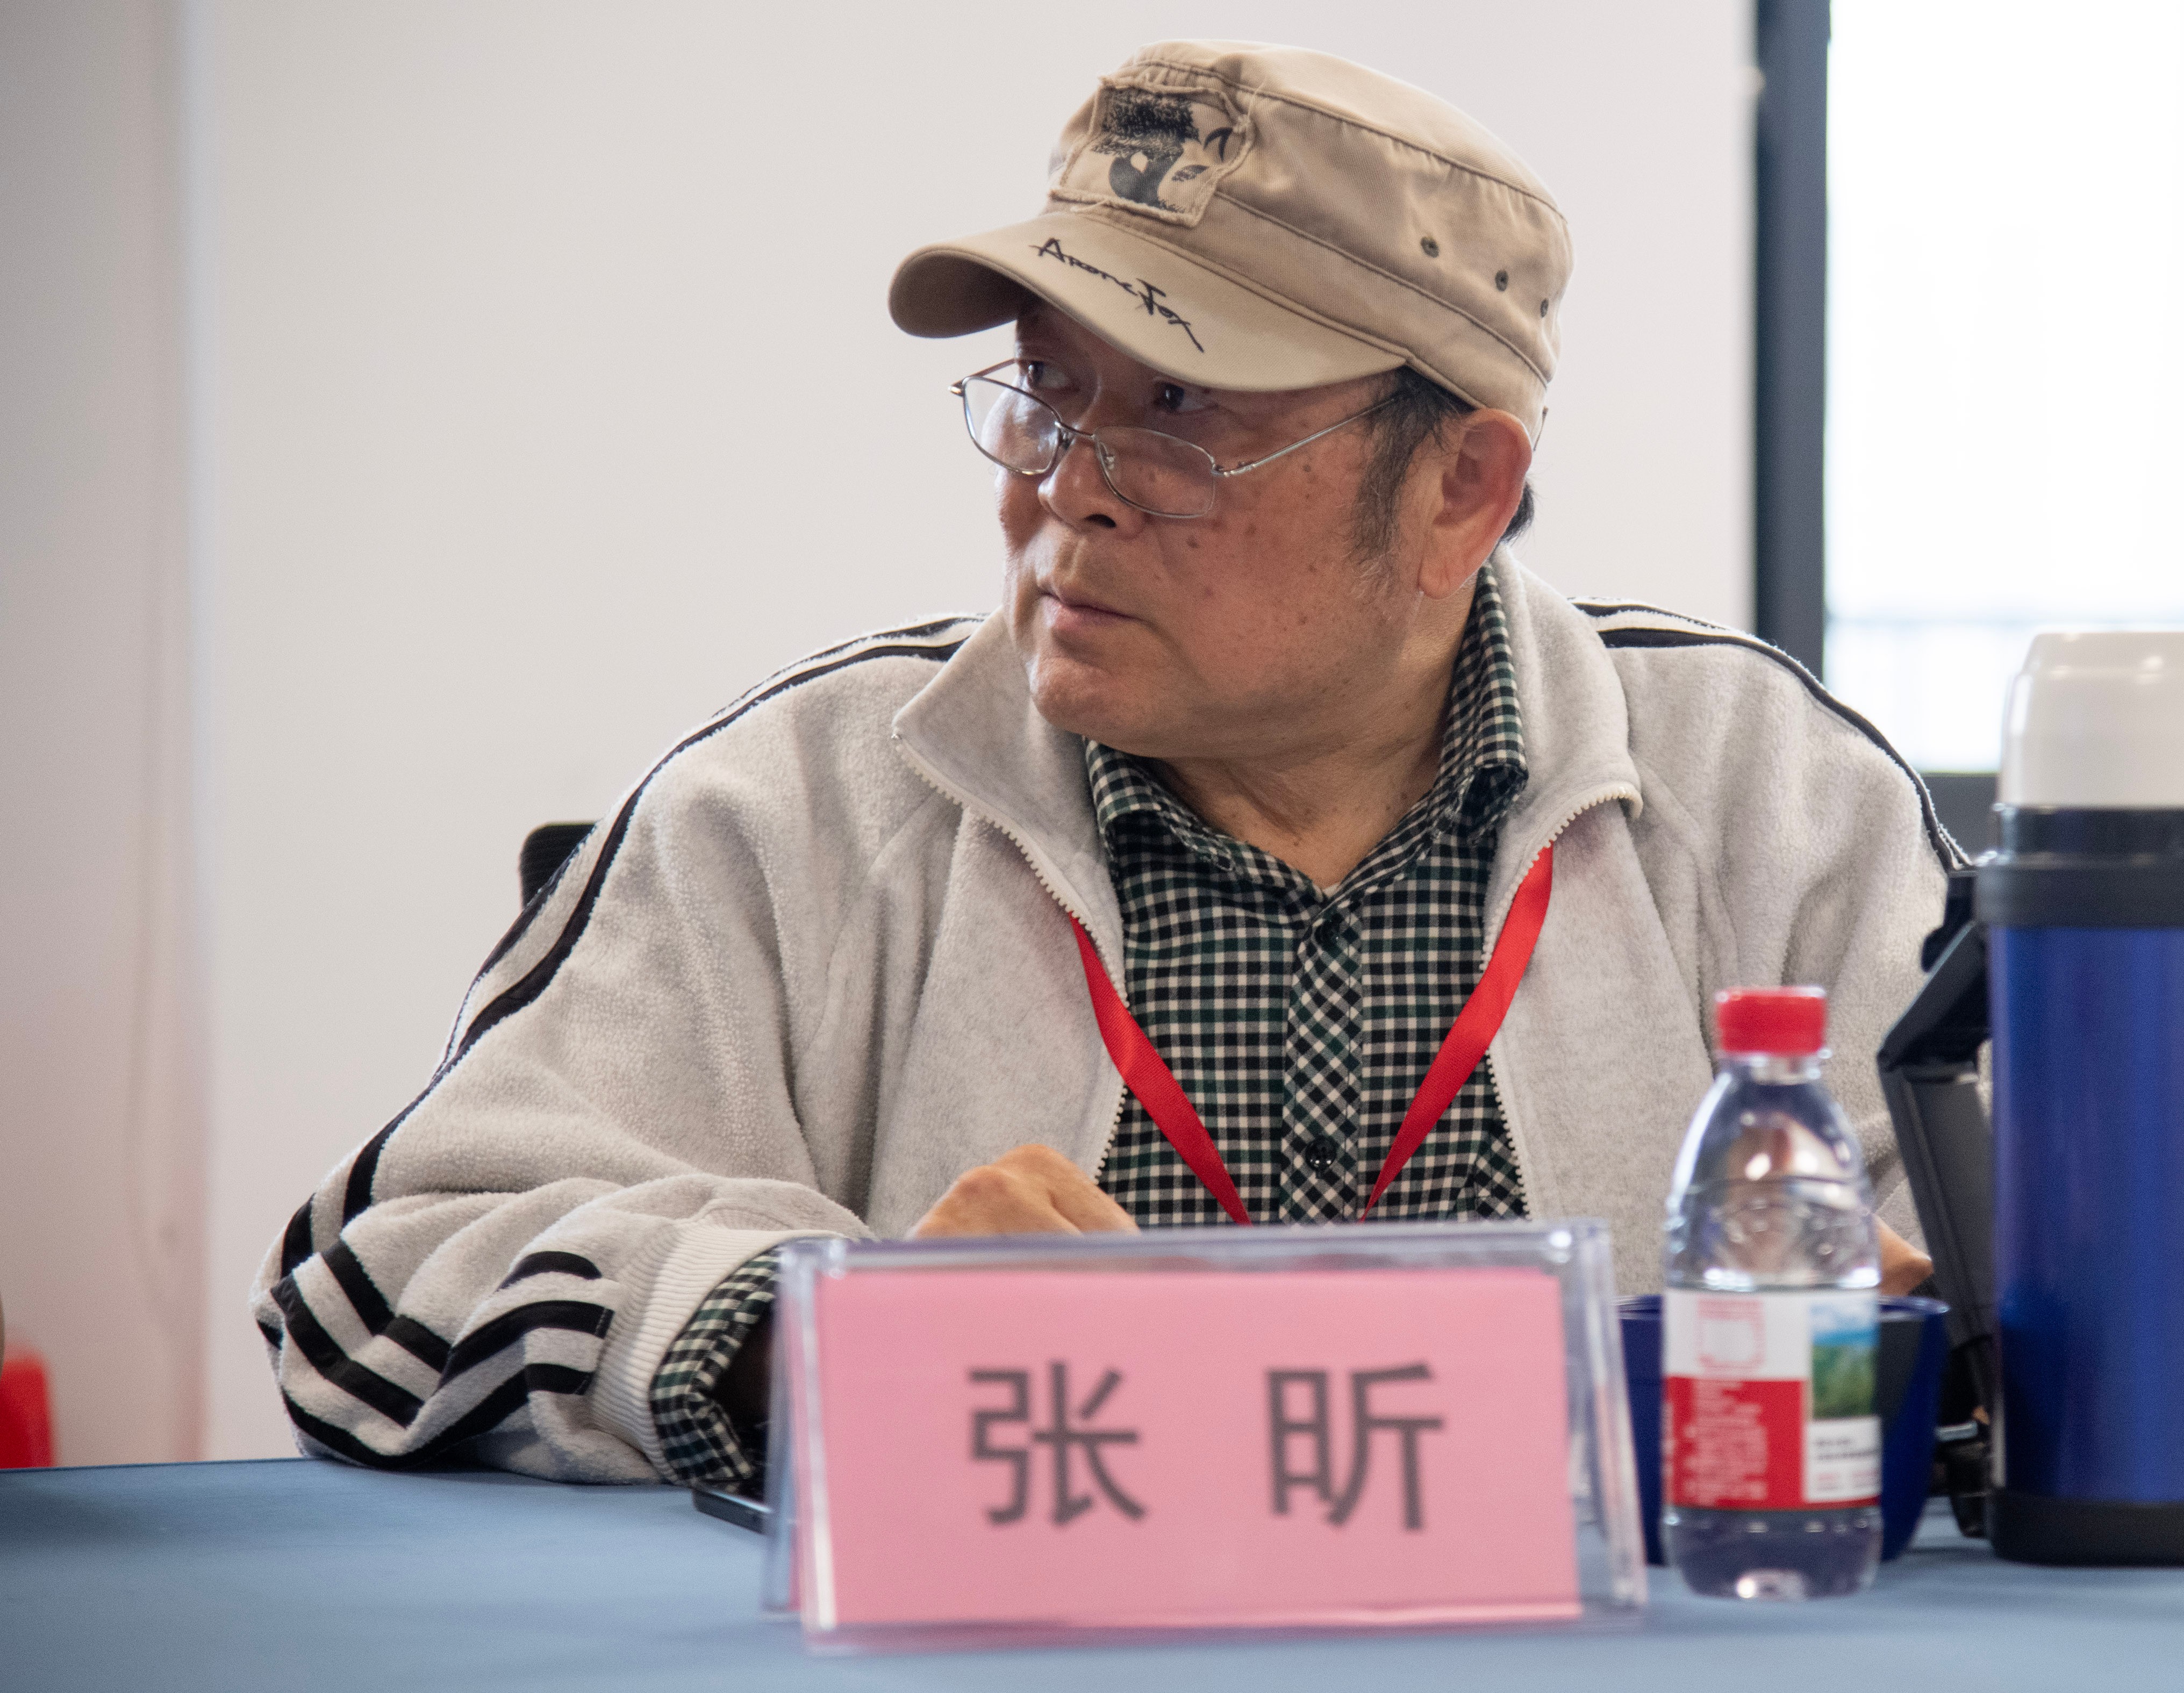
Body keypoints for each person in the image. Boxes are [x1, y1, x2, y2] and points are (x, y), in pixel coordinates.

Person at [254, 41, 1949, 1486]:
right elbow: (371, 1288)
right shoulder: (796, 806)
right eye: (1049, 395)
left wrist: (1945, 1339)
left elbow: (2030, 1296)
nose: (1069, 488)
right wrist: (814, 1326)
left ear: (1461, 491)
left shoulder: (1767, 796)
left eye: (1183, 417)